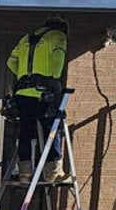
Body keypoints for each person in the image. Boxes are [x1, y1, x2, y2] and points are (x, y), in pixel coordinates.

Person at [5, 15, 68, 182]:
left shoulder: (26, 38)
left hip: (22, 93)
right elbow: (58, 58)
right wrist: (54, 79)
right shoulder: (58, 36)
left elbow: (10, 62)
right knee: (52, 129)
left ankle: (25, 172)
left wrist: (23, 76)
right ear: (61, 27)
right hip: (42, 93)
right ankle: (53, 172)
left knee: (26, 131)